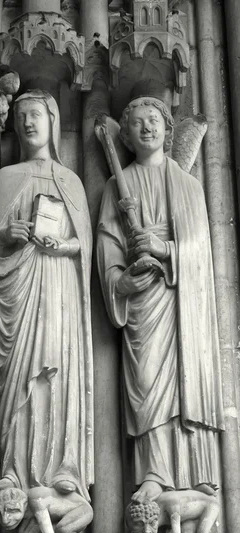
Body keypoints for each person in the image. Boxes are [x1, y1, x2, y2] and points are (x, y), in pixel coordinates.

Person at [97, 88, 224, 502]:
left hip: (179, 300)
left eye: (155, 119)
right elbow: (107, 245)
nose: (147, 126)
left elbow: (201, 252)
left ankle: (188, 471)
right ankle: (154, 471)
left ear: (168, 131)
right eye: (136, 122)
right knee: (146, 380)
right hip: (142, 300)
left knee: (184, 379)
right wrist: (120, 280)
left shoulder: (187, 185)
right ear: (127, 137)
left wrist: (164, 249)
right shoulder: (118, 185)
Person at [0, 90, 94, 502]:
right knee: (22, 376)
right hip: (21, 294)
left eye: (35, 114)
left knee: (59, 373)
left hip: (60, 289)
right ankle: (15, 470)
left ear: (53, 121)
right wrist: (8, 238)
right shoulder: (5, 178)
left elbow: (84, 246)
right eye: (21, 116)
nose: (28, 123)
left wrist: (64, 246)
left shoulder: (71, 181)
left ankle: (65, 468)